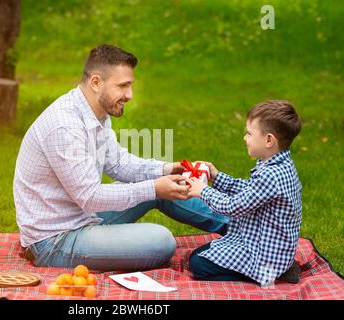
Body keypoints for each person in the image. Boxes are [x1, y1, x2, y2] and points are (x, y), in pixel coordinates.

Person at [13, 44, 229, 271]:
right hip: (55, 239)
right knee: (161, 241)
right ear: (96, 82)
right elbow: (89, 196)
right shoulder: (64, 126)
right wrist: (154, 188)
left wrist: (166, 170)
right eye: (123, 86)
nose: (130, 95)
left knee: (161, 186)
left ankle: (243, 228)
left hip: (82, 215)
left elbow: (117, 163)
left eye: (130, 85)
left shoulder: (94, 112)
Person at [186, 100, 302, 286]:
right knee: (197, 256)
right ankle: (279, 268)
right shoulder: (277, 164)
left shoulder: (271, 175)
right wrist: (217, 177)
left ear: (269, 140)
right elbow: (249, 191)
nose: (244, 138)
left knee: (198, 265)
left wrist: (203, 191)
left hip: (263, 254)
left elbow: (233, 207)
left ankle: (265, 274)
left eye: (249, 133)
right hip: (259, 241)